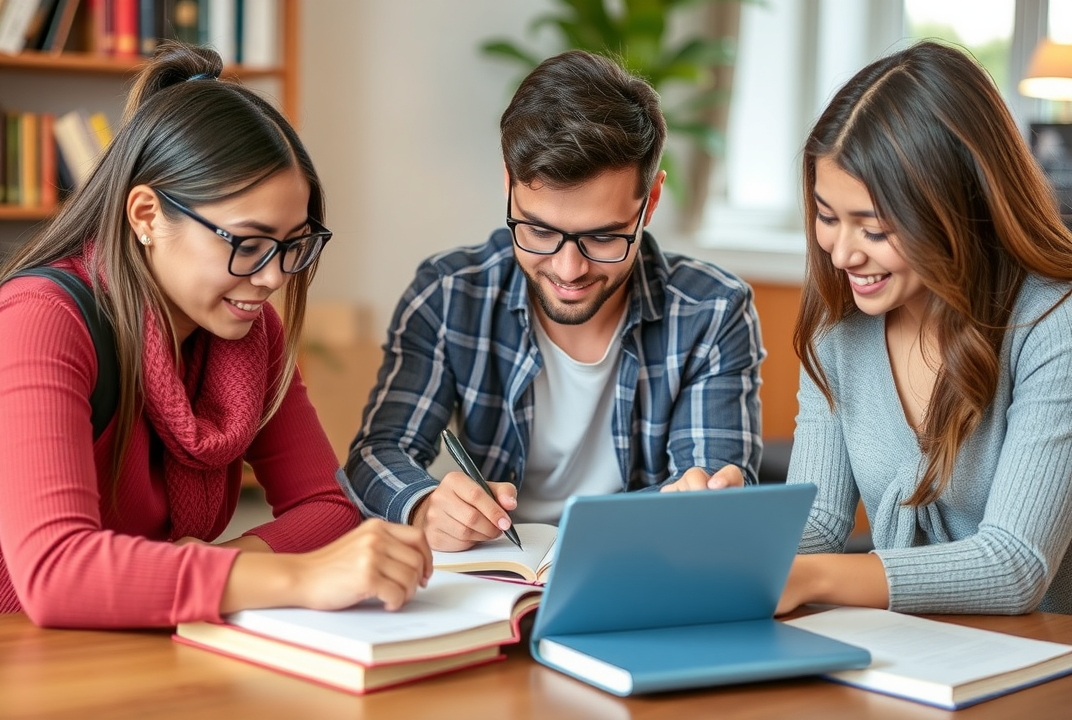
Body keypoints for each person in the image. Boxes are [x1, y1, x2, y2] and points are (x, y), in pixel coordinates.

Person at [0, 42, 431, 628]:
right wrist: (300, 577)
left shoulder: (251, 335)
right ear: (146, 216)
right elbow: (56, 572)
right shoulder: (41, 319)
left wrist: (224, 566)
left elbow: (327, 507)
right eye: (246, 244)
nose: (274, 276)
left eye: (292, 245)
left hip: (137, 644)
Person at [344, 50, 764, 552]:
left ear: (649, 202)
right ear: (509, 184)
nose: (568, 270)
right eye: (539, 231)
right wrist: (422, 504)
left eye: (604, 238)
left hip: (635, 573)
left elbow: (707, 479)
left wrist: (701, 500)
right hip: (493, 583)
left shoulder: (713, 312)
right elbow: (378, 451)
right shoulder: (450, 292)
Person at [779, 40, 1072, 615]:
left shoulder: (1052, 324)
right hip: (912, 664)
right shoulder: (838, 331)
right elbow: (818, 522)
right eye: (827, 215)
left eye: (874, 229)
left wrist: (813, 578)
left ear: (959, 207)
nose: (841, 255)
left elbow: (1014, 565)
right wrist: (730, 532)